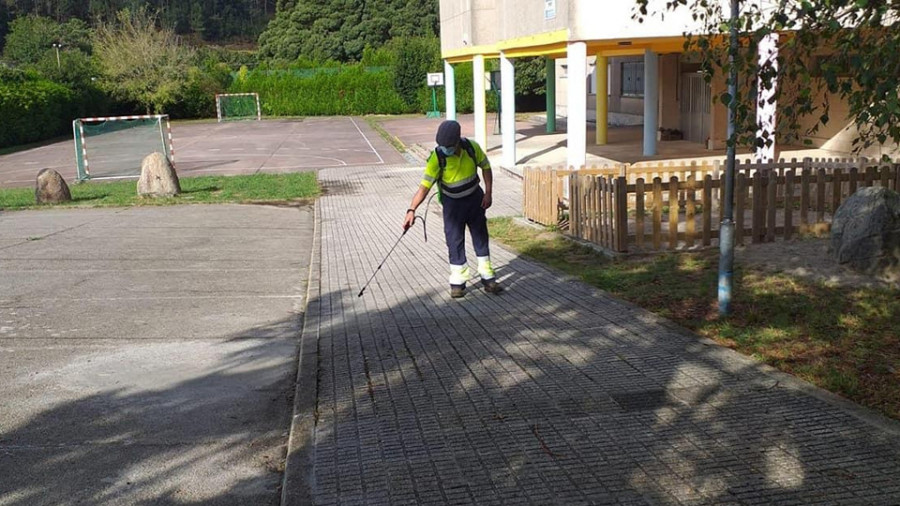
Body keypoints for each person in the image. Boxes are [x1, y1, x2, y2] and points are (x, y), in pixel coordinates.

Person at [403, 120, 502, 298]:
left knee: (480, 236)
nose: (445, 149)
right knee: (454, 240)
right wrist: (411, 210)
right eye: (441, 146)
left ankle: (488, 278)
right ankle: (458, 282)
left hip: (475, 200)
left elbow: (486, 167)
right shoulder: (437, 157)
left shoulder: (472, 148)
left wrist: (488, 193)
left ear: (457, 141)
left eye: (448, 146)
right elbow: (423, 188)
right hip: (452, 204)